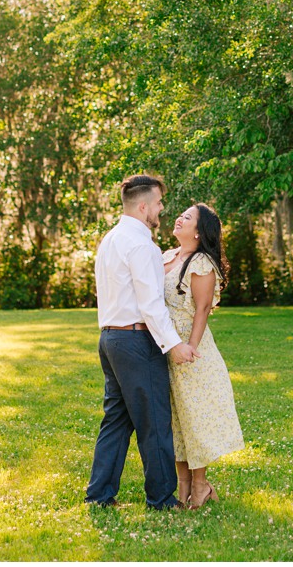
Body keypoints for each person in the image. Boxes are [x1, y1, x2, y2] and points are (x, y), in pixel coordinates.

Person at [85, 174, 197, 510]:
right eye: (159, 203)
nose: (162, 209)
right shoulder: (141, 245)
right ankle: (162, 500)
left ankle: (100, 495)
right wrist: (174, 344)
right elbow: (150, 304)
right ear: (144, 205)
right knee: (154, 421)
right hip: (136, 341)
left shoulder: (111, 240)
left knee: (117, 421)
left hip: (110, 338)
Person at [162, 203, 244, 508]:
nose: (179, 218)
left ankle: (199, 485)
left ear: (198, 231)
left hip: (190, 351)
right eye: (181, 214)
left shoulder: (201, 264)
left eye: (187, 217)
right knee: (176, 421)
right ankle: (183, 484)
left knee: (194, 419)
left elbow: (203, 309)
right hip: (167, 347)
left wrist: (190, 349)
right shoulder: (168, 257)